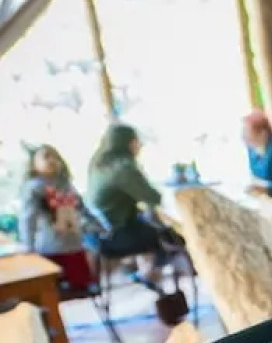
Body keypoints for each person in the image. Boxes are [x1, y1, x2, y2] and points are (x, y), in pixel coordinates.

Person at [87, 123, 172, 287]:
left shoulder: (99, 164)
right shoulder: (123, 167)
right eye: (137, 141)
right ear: (130, 143)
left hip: (97, 234)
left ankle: (144, 270)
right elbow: (153, 197)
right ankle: (152, 275)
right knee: (170, 236)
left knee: (148, 224)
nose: (140, 145)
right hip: (116, 236)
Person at [20, 144, 99, 290]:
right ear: (33, 164)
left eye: (55, 156)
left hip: (73, 247)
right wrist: (28, 246)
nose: (51, 160)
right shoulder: (34, 188)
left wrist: (98, 227)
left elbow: (82, 210)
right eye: (45, 156)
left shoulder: (67, 186)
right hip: (48, 248)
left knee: (82, 287)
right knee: (51, 291)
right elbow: (28, 218)